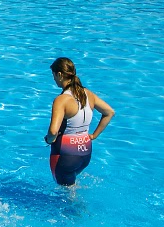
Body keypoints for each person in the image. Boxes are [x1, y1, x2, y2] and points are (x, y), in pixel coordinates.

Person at [45, 57, 115, 186]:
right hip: (85, 154)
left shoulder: (62, 100)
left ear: (59, 74)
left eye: (53, 75)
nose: (54, 79)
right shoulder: (88, 94)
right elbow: (109, 112)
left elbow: (53, 131)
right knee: (72, 187)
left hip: (65, 157)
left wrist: (48, 140)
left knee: (66, 197)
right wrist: (94, 135)